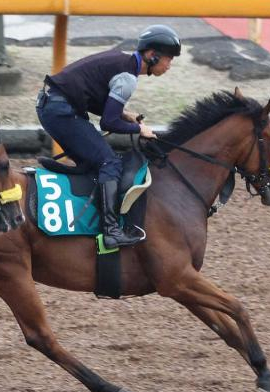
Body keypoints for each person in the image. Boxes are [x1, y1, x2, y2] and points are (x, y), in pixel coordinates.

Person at [36, 24, 181, 249]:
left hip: (53, 105)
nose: (169, 66)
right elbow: (108, 123)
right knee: (109, 161)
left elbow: (96, 98)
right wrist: (139, 130)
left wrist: (125, 115)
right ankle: (111, 230)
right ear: (152, 56)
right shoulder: (128, 77)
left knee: (92, 161)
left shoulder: (122, 62)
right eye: (169, 59)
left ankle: (87, 218)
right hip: (60, 110)